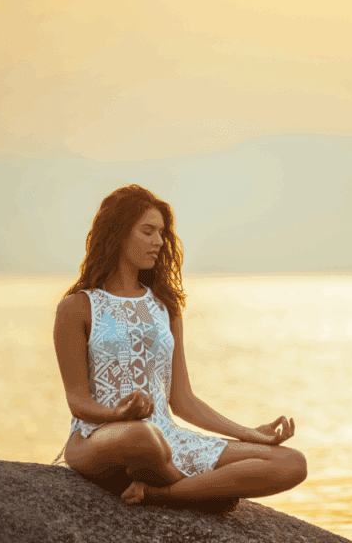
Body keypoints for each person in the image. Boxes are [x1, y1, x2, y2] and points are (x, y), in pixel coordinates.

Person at [50, 184, 306, 505]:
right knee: (141, 436)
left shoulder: (165, 306)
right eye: (147, 231)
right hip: (98, 438)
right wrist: (117, 413)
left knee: (291, 462)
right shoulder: (77, 307)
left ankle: (162, 492)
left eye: (161, 233)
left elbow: (182, 400)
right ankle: (203, 492)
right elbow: (77, 401)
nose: (158, 241)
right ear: (117, 233)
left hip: (167, 439)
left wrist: (252, 434)